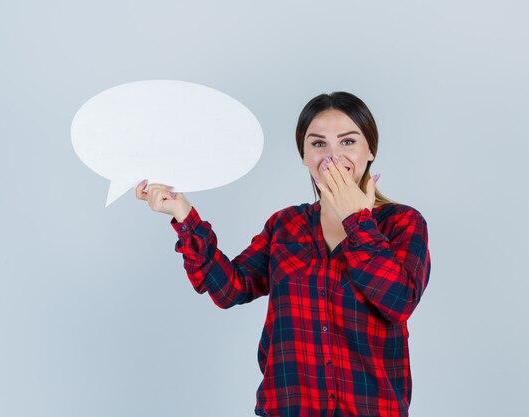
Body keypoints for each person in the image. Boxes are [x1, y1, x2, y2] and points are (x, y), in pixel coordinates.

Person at [135, 91, 431, 417]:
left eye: (348, 142)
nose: (332, 156)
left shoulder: (403, 222)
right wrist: (183, 213)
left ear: (370, 150)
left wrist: (356, 220)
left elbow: (399, 301)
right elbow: (230, 288)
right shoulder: (285, 225)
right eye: (318, 144)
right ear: (304, 154)